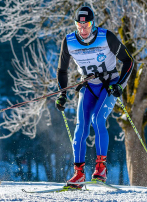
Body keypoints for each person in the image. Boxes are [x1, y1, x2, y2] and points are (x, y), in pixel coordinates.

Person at [56, 6, 134, 189]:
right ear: (76, 24)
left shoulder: (106, 37)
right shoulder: (68, 42)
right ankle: (79, 174)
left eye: (87, 24)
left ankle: (101, 168)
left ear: (93, 23)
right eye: (79, 25)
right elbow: (62, 70)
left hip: (109, 84)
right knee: (80, 127)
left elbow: (129, 61)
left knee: (98, 120)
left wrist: (120, 85)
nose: (83, 29)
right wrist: (62, 94)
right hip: (89, 86)